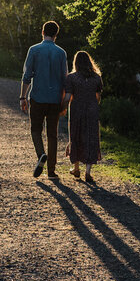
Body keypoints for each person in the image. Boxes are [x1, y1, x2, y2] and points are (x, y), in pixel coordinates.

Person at [20, 20, 67, 179]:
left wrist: (22, 97)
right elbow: (64, 79)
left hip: (37, 97)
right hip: (55, 100)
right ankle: (51, 171)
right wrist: (64, 102)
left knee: (35, 130)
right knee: (52, 134)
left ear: (42, 32)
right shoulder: (61, 53)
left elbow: (27, 77)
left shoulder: (34, 50)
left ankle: (41, 154)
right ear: (56, 35)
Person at [62, 50, 103, 183]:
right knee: (91, 137)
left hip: (76, 110)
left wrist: (61, 108)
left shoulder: (71, 77)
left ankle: (76, 168)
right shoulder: (97, 78)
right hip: (92, 110)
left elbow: (68, 96)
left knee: (76, 135)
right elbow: (98, 97)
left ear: (76, 63)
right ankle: (88, 172)